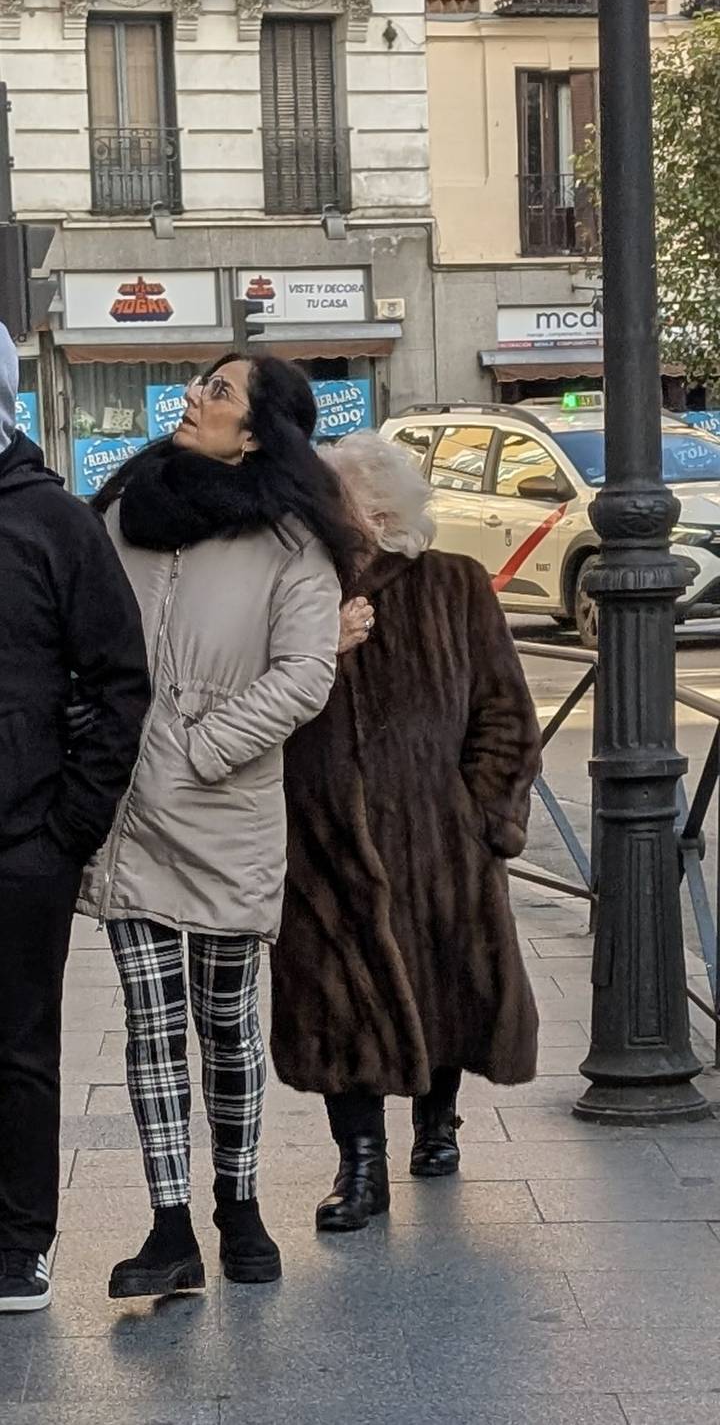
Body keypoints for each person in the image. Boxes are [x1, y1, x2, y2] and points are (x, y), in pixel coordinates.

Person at [77, 354, 352, 1297]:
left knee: (225, 1025)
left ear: (257, 431)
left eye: (220, 391)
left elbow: (305, 674)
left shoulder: (293, 544)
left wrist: (200, 743)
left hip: (226, 805)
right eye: (200, 384)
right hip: (125, 808)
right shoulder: (126, 511)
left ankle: (239, 1204)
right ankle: (168, 1227)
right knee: (150, 1026)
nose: (195, 397)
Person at [271, 431, 542, 1233]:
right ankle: (359, 1167)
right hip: (323, 840)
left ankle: (438, 1120)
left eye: (337, 495)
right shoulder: (298, 590)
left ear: (380, 512)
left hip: (439, 840)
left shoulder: (454, 586)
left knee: (445, 983)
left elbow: (505, 713)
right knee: (336, 998)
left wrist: (484, 819)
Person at [0, 325, 150, 1314]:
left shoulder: (55, 524)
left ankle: (17, 1245)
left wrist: (66, 833)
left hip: (21, 844)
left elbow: (120, 682)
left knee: (16, 1049)